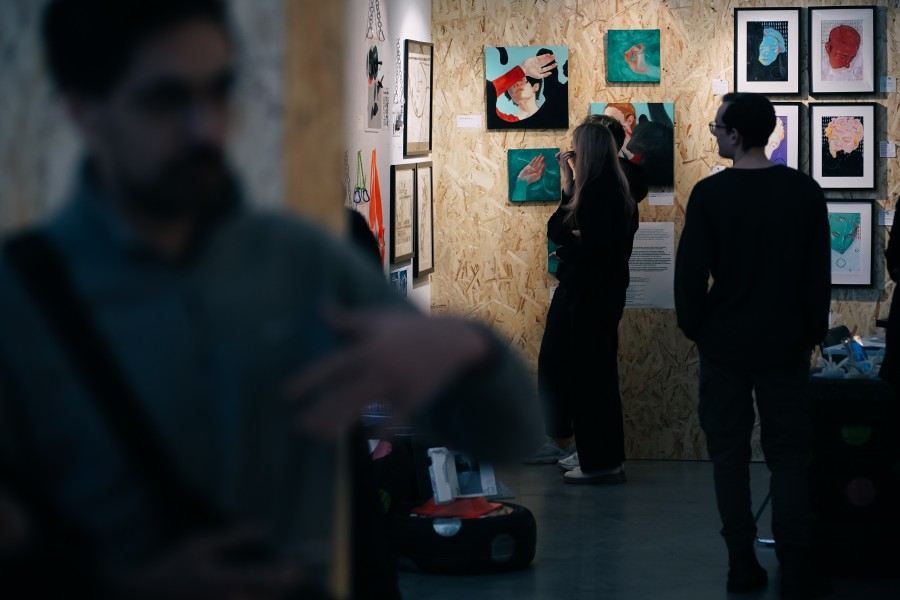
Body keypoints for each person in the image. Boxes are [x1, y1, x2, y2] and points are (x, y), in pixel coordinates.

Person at [0, 1, 543, 597]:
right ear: (82, 109)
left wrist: (467, 350)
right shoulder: (22, 298)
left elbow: (511, 435)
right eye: (165, 100)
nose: (206, 129)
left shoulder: (306, 256)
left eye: (218, 92)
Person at [674, 93, 831, 599]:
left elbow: (690, 275)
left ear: (736, 135)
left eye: (718, 128)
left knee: (729, 456)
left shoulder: (710, 195)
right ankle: (796, 566)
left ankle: (741, 564)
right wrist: (808, 332)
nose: (715, 135)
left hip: (726, 344)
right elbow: (817, 276)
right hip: (785, 343)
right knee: (789, 456)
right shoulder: (804, 192)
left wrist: (699, 328)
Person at [527, 114, 646, 469]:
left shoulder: (610, 187)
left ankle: (597, 457)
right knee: (562, 363)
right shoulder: (590, 186)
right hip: (581, 288)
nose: (571, 152)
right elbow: (558, 229)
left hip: (593, 291)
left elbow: (601, 246)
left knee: (590, 374)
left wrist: (571, 249)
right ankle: (578, 446)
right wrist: (568, 187)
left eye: (577, 146)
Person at [486, 47, 568, 129]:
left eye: (521, 80)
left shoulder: (555, 111)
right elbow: (488, 93)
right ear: (510, 96)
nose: (516, 84)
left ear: (535, 87)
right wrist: (523, 70)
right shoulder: (503, 122)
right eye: (511, 84)